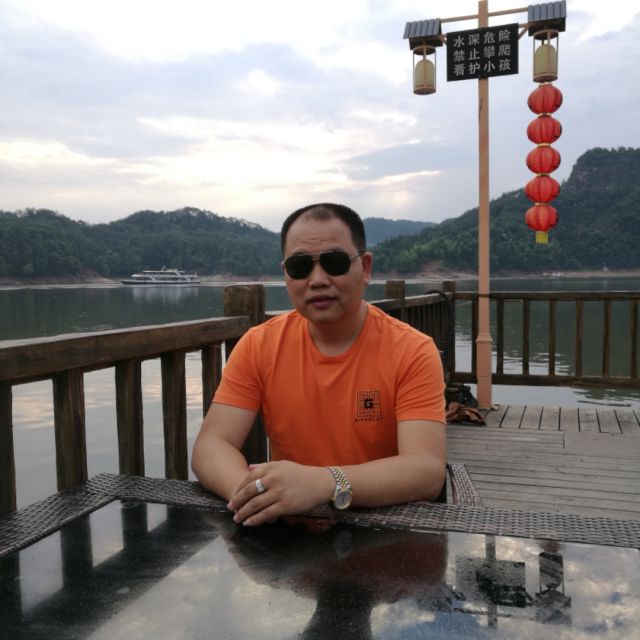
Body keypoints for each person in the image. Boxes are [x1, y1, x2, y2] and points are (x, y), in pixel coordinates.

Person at [191, 203, 446, 527]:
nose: (318, 280)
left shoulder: (412, 350)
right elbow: (211, 446)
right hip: (288, 536)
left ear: (366, 267)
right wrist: (255, 496)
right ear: (286, 274)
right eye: (300, 266)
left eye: (334, 262)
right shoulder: (259, 345)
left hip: (386, 529)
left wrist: (325, 483)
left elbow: (425, 471)